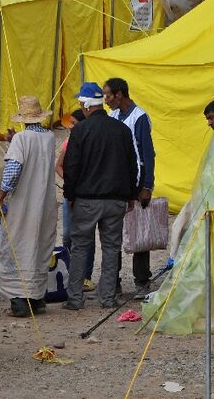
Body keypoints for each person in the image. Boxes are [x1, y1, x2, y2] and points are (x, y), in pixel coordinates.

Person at [62, 82, 138, 310]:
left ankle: (75, 298)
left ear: (86, 106)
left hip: (86, 200)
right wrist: (131, 194)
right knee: (111, 248)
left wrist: (70, 195)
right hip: (115, 200)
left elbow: (71, 167)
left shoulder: (80, 131)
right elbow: (131, 165)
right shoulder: (122, 130)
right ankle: (107, 298)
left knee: (80, 248)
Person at [0, 96, 57, 318]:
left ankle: (20, 300)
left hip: (23, 204)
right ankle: (36, 297)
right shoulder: (49, 137)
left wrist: (0, 196)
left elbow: (13, 171)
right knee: (39, 246)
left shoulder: (21, 139)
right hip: (45, 203)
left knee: (17, 246)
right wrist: (14, 141)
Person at [103, 78, 156, 299]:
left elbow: (147, 153)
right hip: (117, 182)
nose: (106, 100)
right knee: (112, 232)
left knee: (139, 233)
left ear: (119, 94)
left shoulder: (139, 117)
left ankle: (142, 281)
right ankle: (113, 282)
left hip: (136, 183)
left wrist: (146, 186)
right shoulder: (113, 117)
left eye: (108, 95)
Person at [56, 109, 95, 293]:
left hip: (86, 195)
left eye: (73, 123)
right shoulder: (67, 143)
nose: (70, 127)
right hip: (71, 194)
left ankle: (85, 276)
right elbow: (59, 166)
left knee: (87, 235)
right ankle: (68, 272)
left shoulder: (90, 141)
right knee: (67, 235)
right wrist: (70, 180)